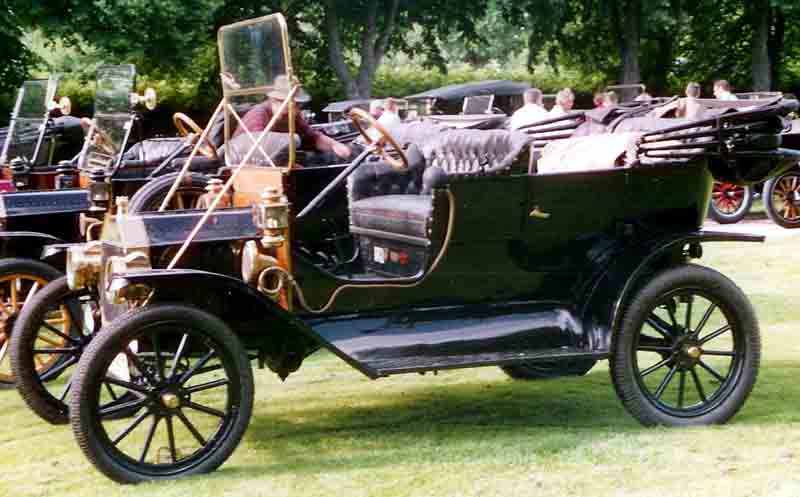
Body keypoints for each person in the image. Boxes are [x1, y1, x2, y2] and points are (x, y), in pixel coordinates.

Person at [234, 75, 351, 160]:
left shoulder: (291, 116)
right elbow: (259, 154)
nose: (296, 110)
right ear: (275, 100)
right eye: (294, 104)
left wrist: (336, 146)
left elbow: (312, 137)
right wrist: (288, 166)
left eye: (298, 105)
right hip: (249, 175)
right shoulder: (258, 116)